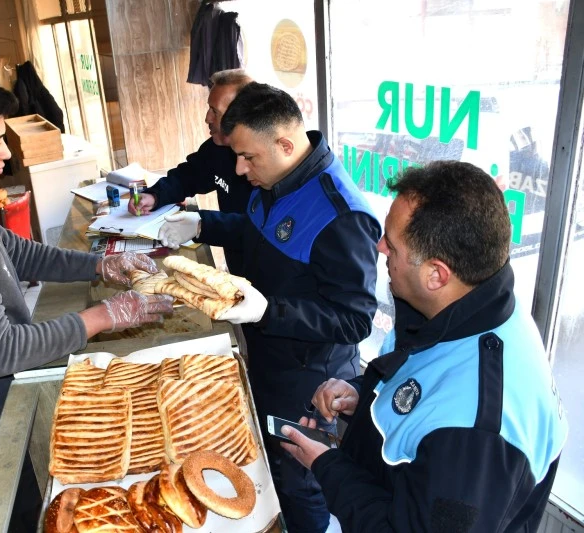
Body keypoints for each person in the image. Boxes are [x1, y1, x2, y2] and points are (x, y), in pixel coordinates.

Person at [0, 72, 173, 531]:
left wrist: (97, 265)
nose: (6, 153)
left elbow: (16, 250)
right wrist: (105, 315)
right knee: (13, 516)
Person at [280, 161, 569, 532]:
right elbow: (421, 375)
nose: (379, 247)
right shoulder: (467, 306)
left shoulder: (475, 436)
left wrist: (326, 465)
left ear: (436, 274)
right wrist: (362, 395)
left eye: (392, 245)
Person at [158, 82, 381, 532]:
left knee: (300, 480)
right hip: (264, 353)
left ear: (284, 143)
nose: (239, 170)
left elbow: (356, 319)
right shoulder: (275, 177)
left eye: (248, 158)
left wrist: (268, 312)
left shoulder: (342, 215)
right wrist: (202, 224)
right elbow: (254, 229)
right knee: (269, 470)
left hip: (308, 379)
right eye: (237, 156)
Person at [128, 69, 253, 272]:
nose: (207, 118)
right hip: (237, 265)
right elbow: (188, 176)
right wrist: (154, 195)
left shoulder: (266, 165)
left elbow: (260, 228)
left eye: (215, 111)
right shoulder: (216, 149)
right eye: (208, 109)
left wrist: (201, 224)